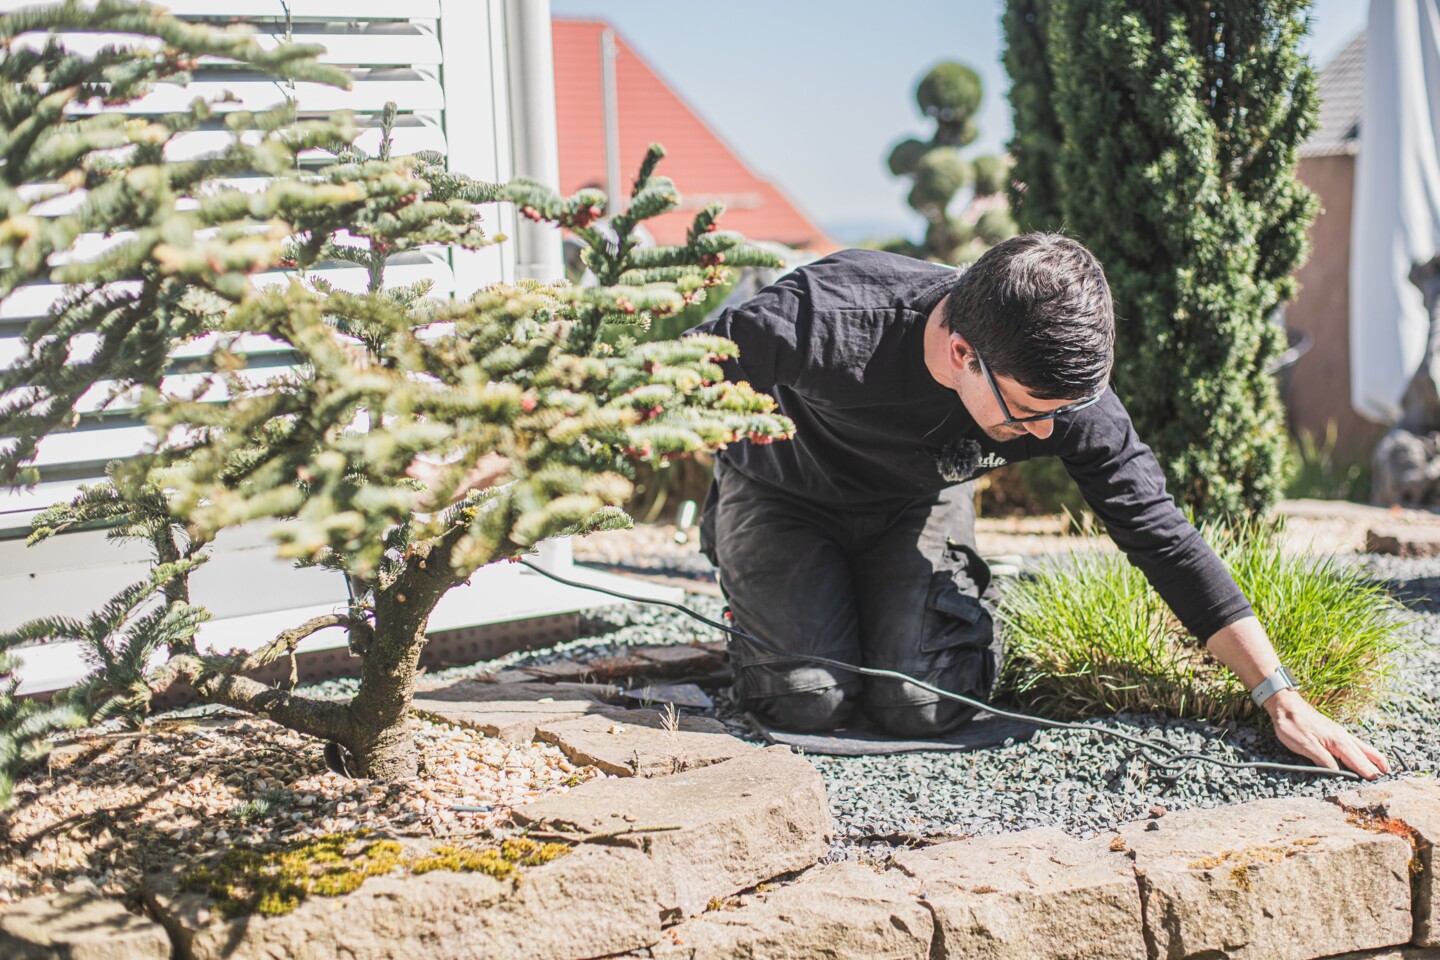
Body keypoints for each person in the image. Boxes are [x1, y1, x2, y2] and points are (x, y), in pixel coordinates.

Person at [688, 232, 1390, 780]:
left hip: (915, 499)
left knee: (922, 703)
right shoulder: (829, 318)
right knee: (805, 699)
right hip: (783, 492)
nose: (1050, 435)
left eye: (1064, 412)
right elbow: (670, 382)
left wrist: (1280, 695)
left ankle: (929, 606)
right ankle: (746, 558)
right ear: (962, 352)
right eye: (1029, 412)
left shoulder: (1066, 398)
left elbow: (1162, 536)